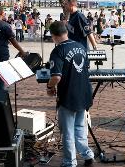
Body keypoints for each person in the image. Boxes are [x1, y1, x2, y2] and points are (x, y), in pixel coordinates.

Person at [46, 21, 94, 167]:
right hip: (84, 93)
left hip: (68, 96)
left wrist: (49, 86)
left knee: (67, 131)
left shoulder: (57, 51)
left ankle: (70, 162)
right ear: (66, 31)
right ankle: (87, 155)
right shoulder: (80, 46)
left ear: (53, 35)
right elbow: (85, 68)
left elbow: (56, 77)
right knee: (80, 127)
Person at [0, 7, 27, 91]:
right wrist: (22, 51)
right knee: (1, 72)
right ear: (2, 13)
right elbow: (13, 40)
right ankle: (0, 93)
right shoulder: (4, 25)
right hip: (1, 52)